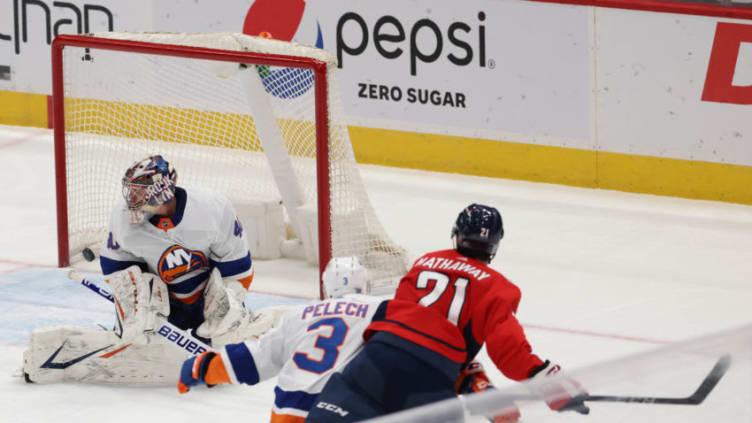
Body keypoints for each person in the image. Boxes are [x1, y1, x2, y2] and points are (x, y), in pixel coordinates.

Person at [305, 204, 590, 422]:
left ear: (456, 236)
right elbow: (510, 353)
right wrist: (555, 387)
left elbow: (404, 326)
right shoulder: (500, 288)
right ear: (494, 246)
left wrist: (479, 387)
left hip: (377, 359)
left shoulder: (424, 263)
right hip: (429, 380)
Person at [23, 155, 272, 384]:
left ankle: (224, 327)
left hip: (206, 298)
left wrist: (224, 313)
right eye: (131, 191)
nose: (131, 198)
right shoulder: (124, 220)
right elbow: (115, 268)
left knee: (224, 314)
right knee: (135, 327)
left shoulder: (212, 209)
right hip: (163, 304)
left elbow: (237, 271)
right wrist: (135, 306)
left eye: (139, 192)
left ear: (160, 192)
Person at [176, 256, 381, 423]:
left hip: (290, 413)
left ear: (327, 285)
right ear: (365, 285)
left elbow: (257, 358)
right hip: (342, 410)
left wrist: (204, 366)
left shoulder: (300, 314)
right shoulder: (381, 309)